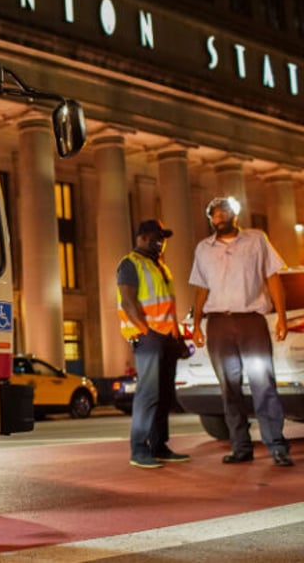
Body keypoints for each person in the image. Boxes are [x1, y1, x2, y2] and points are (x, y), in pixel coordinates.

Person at [189, 196, 293, 467]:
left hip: (251, 322)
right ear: (210, 219)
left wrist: (281, 318)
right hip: (218, 325)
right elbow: (200, 288)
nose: (218, 217)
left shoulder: (257, 240)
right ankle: (241, 446)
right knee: (229, 387)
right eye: (213, 214)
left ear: (234, 214)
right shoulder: (203, 249)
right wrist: (196, 323)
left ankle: (277, 446)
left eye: (223, 212)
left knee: (263, 382)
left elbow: (273, 278)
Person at [117, 219, 191, 469]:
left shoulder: (159, 265)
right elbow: (128, 302)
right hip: (148, 337)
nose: (161, 242)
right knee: (148, 395)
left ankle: (159, 446)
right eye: (155, 237)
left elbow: (167, 305)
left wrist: (177, 336)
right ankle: (139, 449)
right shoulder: (131, 264)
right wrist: (146, 331)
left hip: (167, 337)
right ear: (141, 238)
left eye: (163, 238)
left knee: (163, 394)